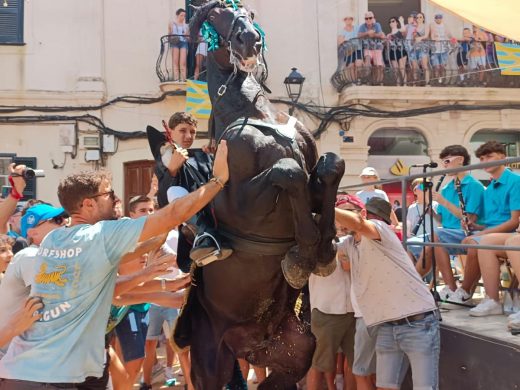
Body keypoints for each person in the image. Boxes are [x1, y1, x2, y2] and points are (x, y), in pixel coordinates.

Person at [0, 140, 229, 387]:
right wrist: (217, 180)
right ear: (88, 204)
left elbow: (112, 275)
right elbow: (169, 216)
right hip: (55, 379)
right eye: (108, 194)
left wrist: (158, 271)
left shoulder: (55, 239)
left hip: (21, 373)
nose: (115, 198)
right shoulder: (101, 235)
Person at [335, 197, 440, 390]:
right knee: (384, 387)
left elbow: (358, 224)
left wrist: (326, 209)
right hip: (386, 324)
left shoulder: (380, 228)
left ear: (365, 215)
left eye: (348, 212)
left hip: (417, 323)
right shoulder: (349, 243)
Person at [154, 112, 231, 270]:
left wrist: (216, 157)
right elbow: (163, 202)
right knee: (174, 192)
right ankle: (204, 236)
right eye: (183, 130)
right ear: (170, 132)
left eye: (193, 132)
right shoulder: (164, 161)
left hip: (218, 214)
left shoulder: (204, 156)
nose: (188, 136)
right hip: (191, 232)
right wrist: (172, 171)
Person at [415, 145, 485, 302]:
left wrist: (443, 201)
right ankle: (414, 284)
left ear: (460, 160)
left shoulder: (474, 186)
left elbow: (469, 219)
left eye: (447, 161)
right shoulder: (447, 187)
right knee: (411, 243)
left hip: (467, 232)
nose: (444, 166)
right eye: (443, 162)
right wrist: (430, 211)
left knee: (434, 238)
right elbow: (442, 220)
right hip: (447, 233)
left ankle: (445, 287)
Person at [306, 196, 356, 390]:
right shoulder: (315, 245)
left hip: (352, 312)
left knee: (355, 364)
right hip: (326, 312)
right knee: (318, 365)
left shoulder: (353, 241)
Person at [406, 178, 440, 264]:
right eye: (421, 187)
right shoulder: (412, 208)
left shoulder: (435, 205)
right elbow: (408, 226)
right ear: (415, 191)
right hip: (417, 241)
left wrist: (430, 206)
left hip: (433, 241)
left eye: (427, 186)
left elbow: (441, 221)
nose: (425, 189)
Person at [357, 11, 385, 85]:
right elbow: (358, 35)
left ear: (373, 18)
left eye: (370, 18)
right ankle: (367, 81)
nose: (368, 20)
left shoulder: (377, 25)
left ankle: (378, 82)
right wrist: (367, 33)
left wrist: (373, 35)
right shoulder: (363, 26)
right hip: (367, 47)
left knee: (378, 65)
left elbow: (381, 35)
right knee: (367, 62)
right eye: (366, 18)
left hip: (377, 48)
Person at [429, 14, 454, 84]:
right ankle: (436, 81)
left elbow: (450, 35)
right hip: (435, 51)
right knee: (436, 67)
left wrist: (455, 42)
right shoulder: (432, 25)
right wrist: (434, 38)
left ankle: (441, 81)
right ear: (435, 19)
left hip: (444, 50)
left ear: (442, 19)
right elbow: (431, 36)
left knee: (442, 67)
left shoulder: (445, 26)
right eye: (437, 18)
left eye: (440, 18)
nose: (438, 19)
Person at [338, 16, 362, 84]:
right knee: (350, 66)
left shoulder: (357, 28)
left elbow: (361, 35)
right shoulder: (342, 31)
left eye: (350, 19)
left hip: (358, 49)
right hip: (349, 51)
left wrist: (346, 40)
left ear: (352, 20)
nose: (348, 20)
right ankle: (353, 82)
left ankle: (358, 80)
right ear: (344, 21)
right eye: (346, 19)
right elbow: (340, 41)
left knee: (358, 64)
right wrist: (346, 41)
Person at [169, 8, 189, 82]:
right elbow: (169, 35)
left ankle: (183, 80)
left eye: (184, 16)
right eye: (181, 15)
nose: (183, 17)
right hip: (175, 43)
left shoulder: (186, 26)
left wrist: (186, 35)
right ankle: (176, 79)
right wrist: (172, 36)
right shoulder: (171, 24)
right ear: (177, 15)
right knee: (175, 62)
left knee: (183, 63)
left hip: (183, 42)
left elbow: (188, 38)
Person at [386, 16, 407, 85]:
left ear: (396, 23)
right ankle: (398, 84)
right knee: (395, 69)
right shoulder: (388, 34)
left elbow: (404, 29)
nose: (391, 23)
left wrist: (401, 21)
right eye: (390, 22)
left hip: (401, 50)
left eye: (393, 21)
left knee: (402, 67)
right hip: (393, 51)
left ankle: (405, 84)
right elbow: (387, 45)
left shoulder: (399, 30)